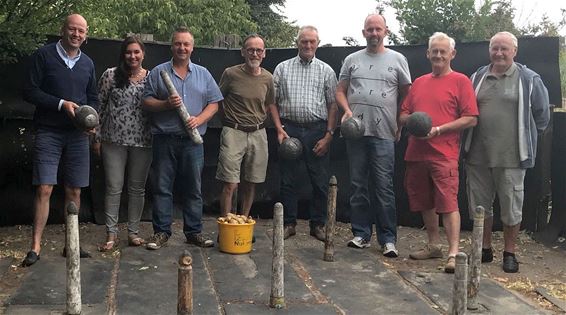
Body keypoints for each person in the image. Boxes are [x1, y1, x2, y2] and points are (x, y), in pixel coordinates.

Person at [463, 31, 550, 273]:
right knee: (480, 207)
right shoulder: (477, 77)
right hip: (478, 156)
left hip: (512, 157)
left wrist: (526, 139)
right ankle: (485, 249)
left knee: (512, 208)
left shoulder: (530, 79)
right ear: (489, 51)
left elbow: (542, 117)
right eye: (495, 48)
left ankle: (510, 253)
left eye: (504, 49)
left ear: (515, 51)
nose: (499, 53)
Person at [21, 14, 98, 266]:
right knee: (45, 188)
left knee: (74, 190)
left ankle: (70, 245)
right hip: (49, 131)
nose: (76, 34)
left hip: (77, 135)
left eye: (81, 31)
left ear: (86, 36)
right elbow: (29, 91)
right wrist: (60, 104)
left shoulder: (87, 63)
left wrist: (91, 120)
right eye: (72, 29)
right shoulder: (44, 56)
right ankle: (35, 247)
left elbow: (93, 98)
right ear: (62, 30)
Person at [399, 32, 478, 273]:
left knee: (448, 203)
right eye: (435, 51)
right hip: (417, 153)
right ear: (428, 53)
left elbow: (471, 118)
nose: (439, 55)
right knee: (425, 201)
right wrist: (415, 122)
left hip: (444, 154)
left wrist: (438, 129)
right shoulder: (419, 82)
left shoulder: (461, 81)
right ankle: (433, 245)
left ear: (452, 54)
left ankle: (453, 252)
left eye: (443, 51)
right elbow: (402, 115)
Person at [335, 14, 411, 257]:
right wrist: (347, 112)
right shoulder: (351, 59)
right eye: (370, 29)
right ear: (364, 32)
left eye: (378, 29)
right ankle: (361, 234)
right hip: (355, 133)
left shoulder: (398, 59)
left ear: (385, 31)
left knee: (384, 187)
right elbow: (340, 91)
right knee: (357, 185)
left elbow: (406, 93)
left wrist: (400, 120)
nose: (374, 33)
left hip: (384, 133)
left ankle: (388, 239)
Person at [142, 27, 223, 250]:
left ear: (192, 47)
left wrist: (198, 119)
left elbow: (214, 103)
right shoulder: (158, 72)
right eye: (178, 44)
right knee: (162, 187)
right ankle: (161, 232)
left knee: (193, 189)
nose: (182, 48)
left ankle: (193, 232)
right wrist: (166, 104)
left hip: (192, 141)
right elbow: (146, 102)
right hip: (164, 139)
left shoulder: (203, 74)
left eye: (186, 44)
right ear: (172, 46)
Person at [272, 26, 338, 241]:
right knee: (287, 180)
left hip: (317, 130)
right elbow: (271, 102)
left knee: (320, 181)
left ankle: (317, 225)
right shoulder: (282, 68)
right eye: (304, 42)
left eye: (312, 42)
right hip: (289, 130)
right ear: (297, 43)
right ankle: (288, 223)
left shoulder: (326, 71)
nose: (308, 45)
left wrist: (329, 135)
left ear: (317, 43)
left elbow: (332, 106)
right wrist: (279, 128)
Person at [94, 36, 152, 251]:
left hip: (143, 142)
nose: (133, 56)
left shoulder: (151, 78)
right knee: (113, 187)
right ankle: (111, 234)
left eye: (137, 52)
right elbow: (98, 107)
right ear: (123, 54)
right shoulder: (110, 75)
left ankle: (134, 233)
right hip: (113, 141)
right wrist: (96, 138)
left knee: (137, 189)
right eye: (129, 52)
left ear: (143, 54)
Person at [216, 34, 281, 219]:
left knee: (251, 181)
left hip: (258, 133)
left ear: (264, 53)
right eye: (250, 50)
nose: (254, 53)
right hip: (233, 131)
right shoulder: (231, 74)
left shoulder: (268, 78)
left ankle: (243, 220)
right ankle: (226, 223)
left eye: (258, 50)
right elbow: (218, 99)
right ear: (243, 52)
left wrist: (278, 128)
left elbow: (270, 105)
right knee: (230, 183)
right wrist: (227, 121)